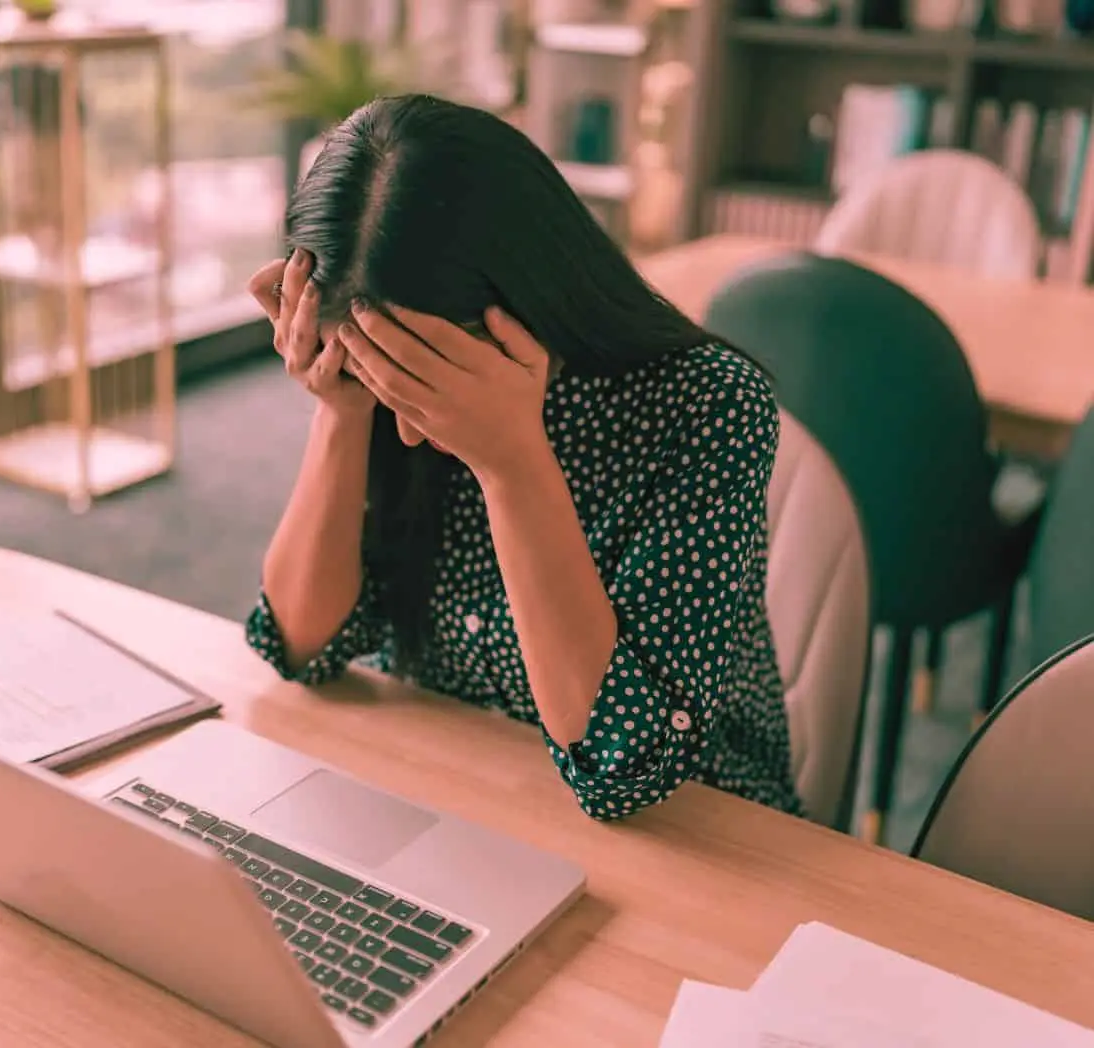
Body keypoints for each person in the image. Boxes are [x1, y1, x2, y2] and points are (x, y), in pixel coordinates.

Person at [246, 94, 802, 822]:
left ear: (532, 293)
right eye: (373, 366)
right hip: (467, 790)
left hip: (700, 828)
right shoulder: (378, 377)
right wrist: (343, 411)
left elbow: (623, 768)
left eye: (424, 372)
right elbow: (301, 647)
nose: (410, 422)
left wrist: (510, 463)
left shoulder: (706, 408)